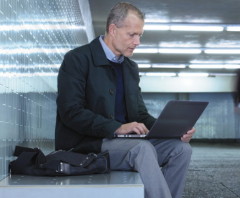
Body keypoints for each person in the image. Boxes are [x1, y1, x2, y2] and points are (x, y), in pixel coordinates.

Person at [55, 2, 195, 198]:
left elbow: (139, 114)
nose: (137, 41)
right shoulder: (77, 59)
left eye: (140, 35)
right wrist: (116, 127)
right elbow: (70, 112)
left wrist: (172, 130)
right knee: (142, 148)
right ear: (113, 29)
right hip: (87, 145)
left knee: (180, 149)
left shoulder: (130, 67)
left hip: (125, 144)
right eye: (132, 35)